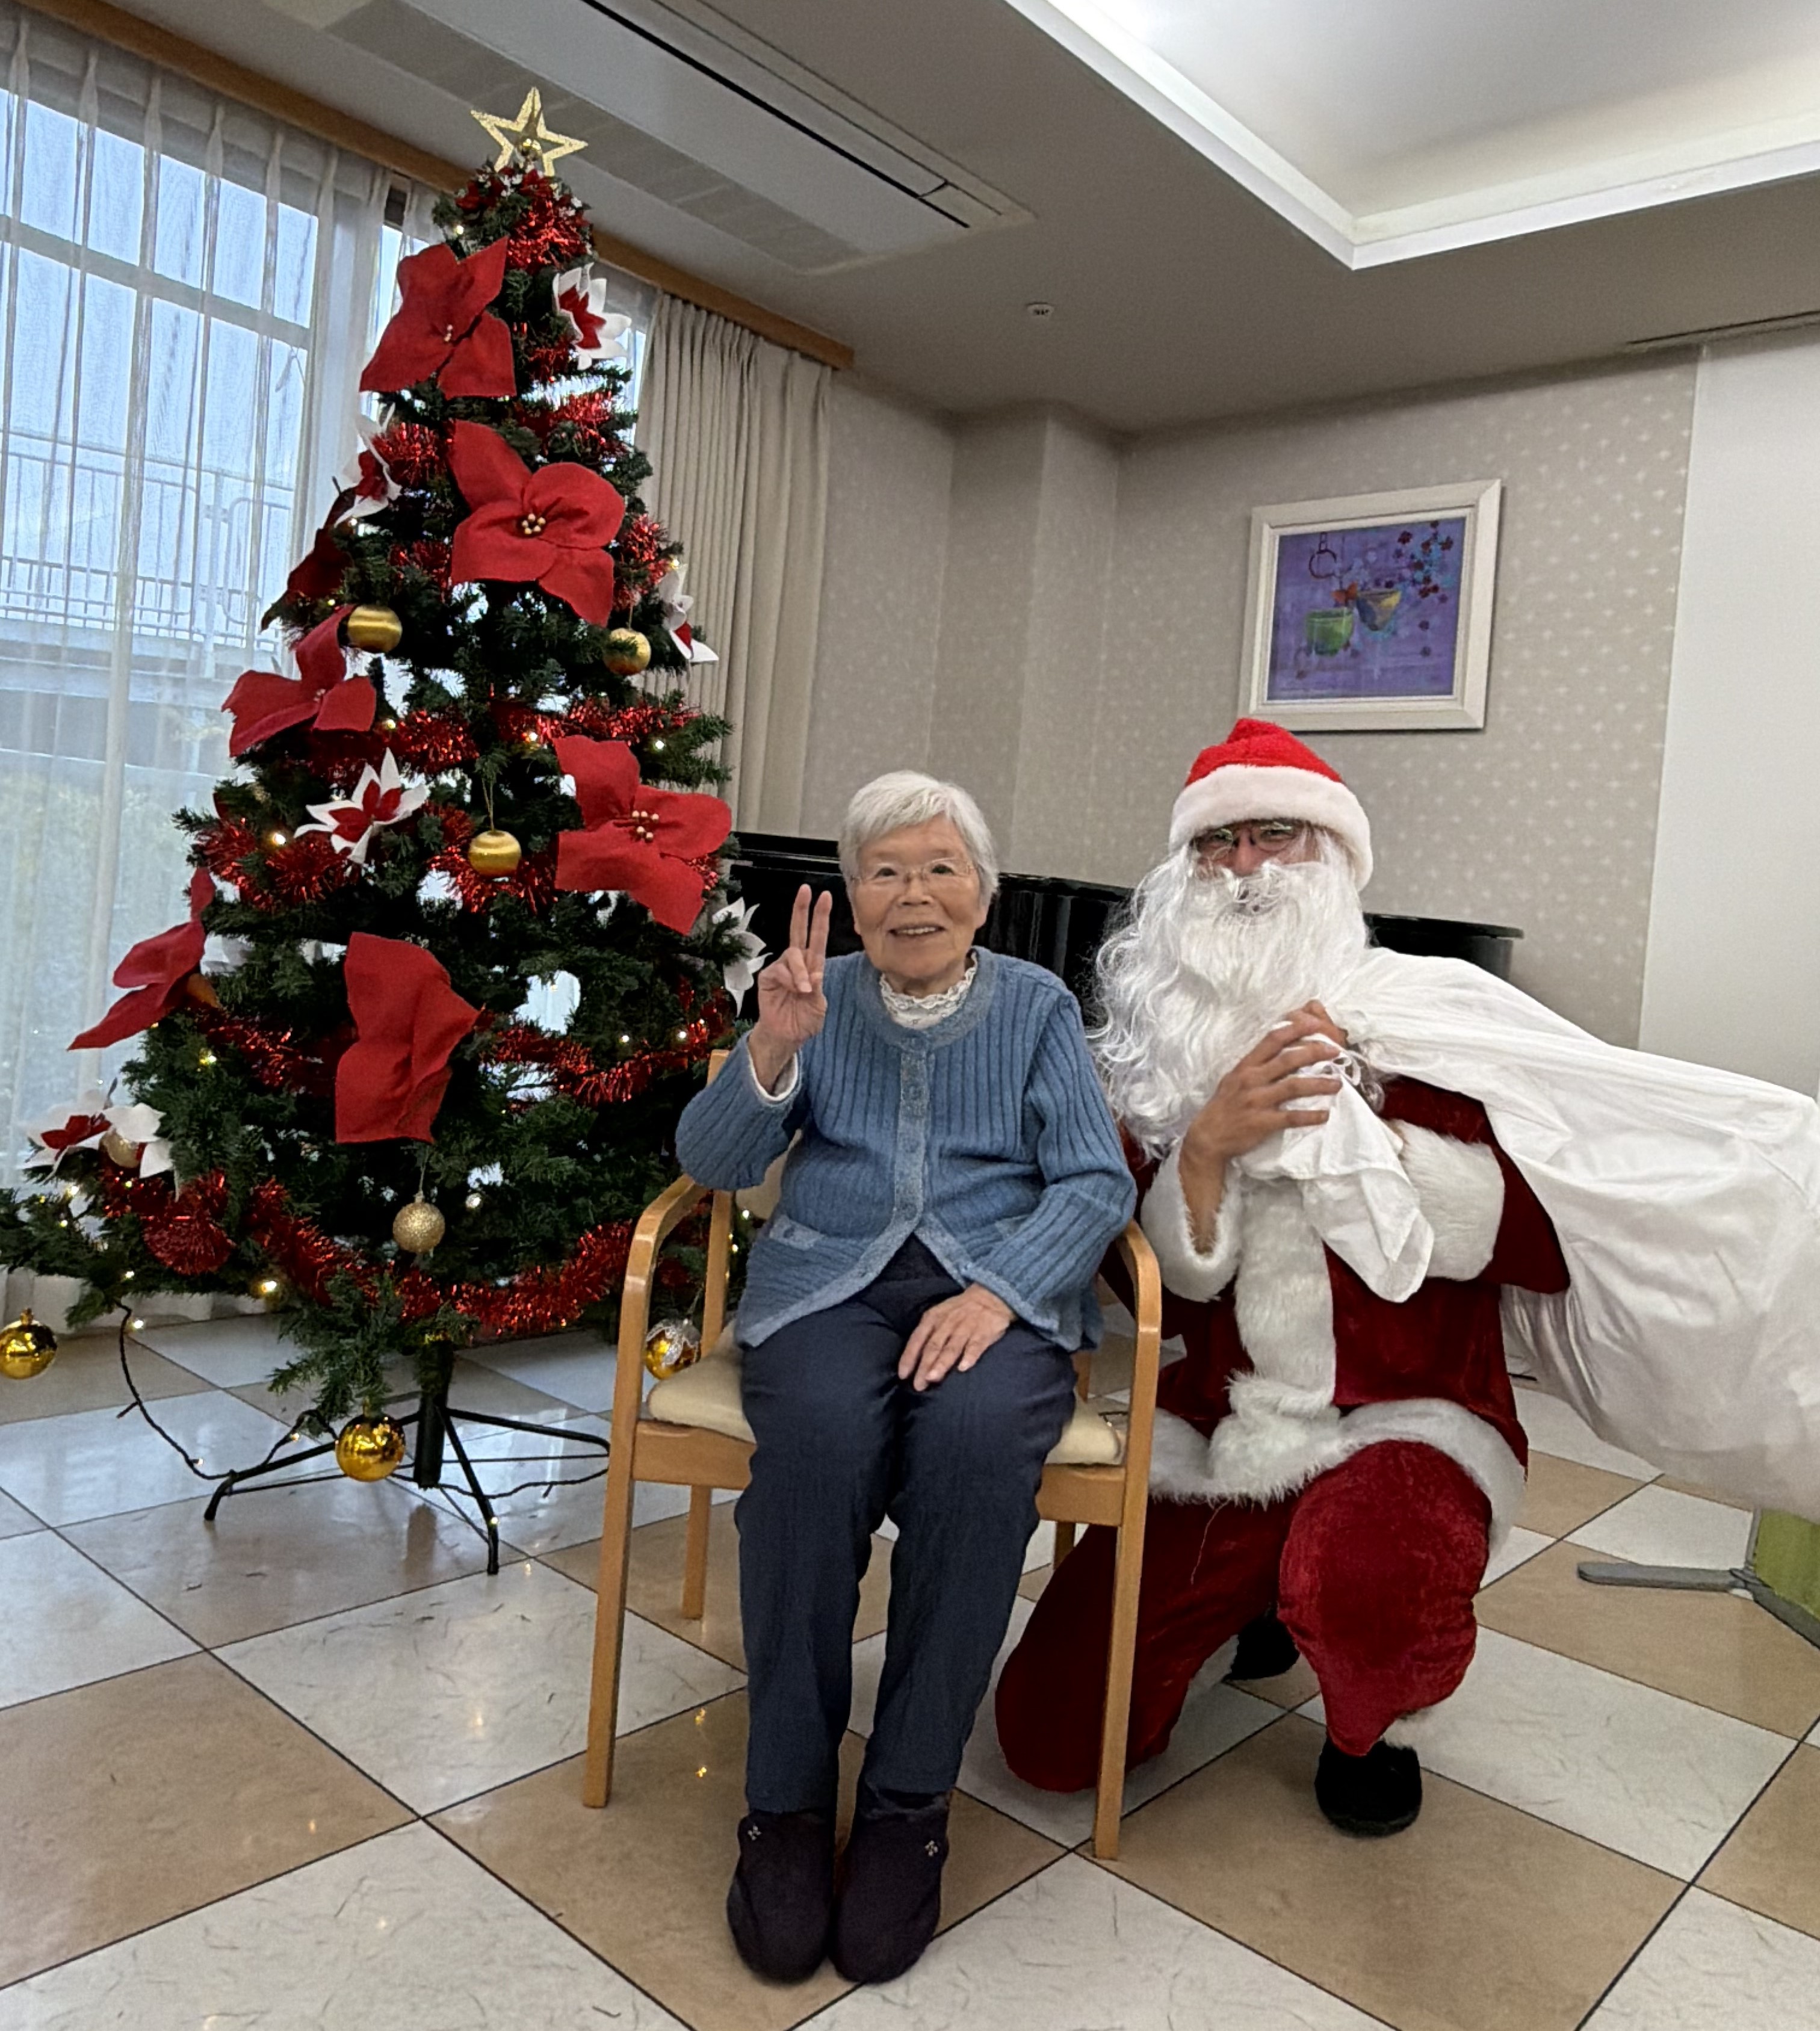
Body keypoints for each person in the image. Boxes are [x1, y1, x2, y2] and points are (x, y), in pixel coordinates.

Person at [994, 718, 1573, 1837]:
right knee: (1050, 1736)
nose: (1246, 866)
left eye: (1276, 835)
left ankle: (1372, 1729)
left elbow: (1539, 1241)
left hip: (1409, 1416)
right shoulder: (1166, 1054)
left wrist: (1372, 1144)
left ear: (1335, 858)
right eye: (1219, 843)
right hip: (1232, 1423)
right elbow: (1163, 1293)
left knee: (1362, 1570)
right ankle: (1252, 1602)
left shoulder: (1433, 1027)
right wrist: (1206, 1150)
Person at [675, 770, 1134, 1985]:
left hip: (996, 1295)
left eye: (940, 867)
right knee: (816, 1451)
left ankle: (905, 1804)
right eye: (885, 870)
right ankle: (783, 1801)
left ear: (983, 891)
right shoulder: (811, 994)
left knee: (977, 1452)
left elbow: (1095, 1180)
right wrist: (772, 1047)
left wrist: (1002, 1291)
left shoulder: (1036, 1005)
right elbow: (710, 1162)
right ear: (851, 894)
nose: (914, 893)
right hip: (827, 1285)